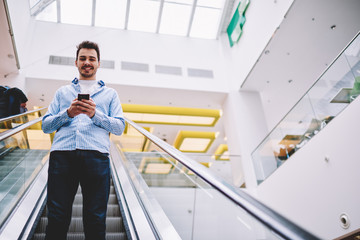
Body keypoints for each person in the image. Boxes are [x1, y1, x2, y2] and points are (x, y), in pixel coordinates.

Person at [42, 40, 125, 240]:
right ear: (76, 62)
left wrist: (95, 115)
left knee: (95, 218)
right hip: (62, 156)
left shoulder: (110, 94)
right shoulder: (62, 92)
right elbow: (45, 126)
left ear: (98, 63)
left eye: (91, 59)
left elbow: (120, 127)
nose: (87, 62)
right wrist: (67, 114)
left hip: (96, 158)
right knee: (57, 216)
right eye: (83, 58)